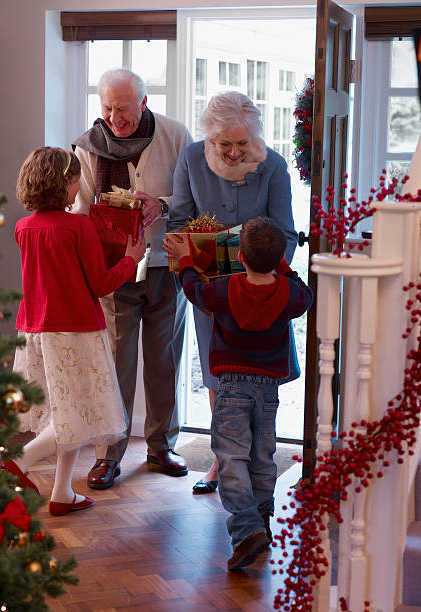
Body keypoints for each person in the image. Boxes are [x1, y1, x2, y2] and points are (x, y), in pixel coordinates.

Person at [163, 217, 312, 570]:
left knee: (230, 459)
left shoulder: (225, 289)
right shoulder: (290, 294)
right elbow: (305, 292)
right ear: (277, 258)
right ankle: (262, 520)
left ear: (240, 257)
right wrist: (282, 266)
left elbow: (193, 291)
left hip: (231, 388)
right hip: (268, 390)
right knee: (262, 457)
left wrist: (186, 261)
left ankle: (246, 532)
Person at [168, 91, 298, 494]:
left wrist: (258, 272)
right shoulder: (191, 159)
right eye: (225, 145)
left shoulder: (273, 167)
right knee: (218, 380)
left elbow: (287, 234)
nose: (235, 152)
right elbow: (178, 224)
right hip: (213, 298)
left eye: (242, 144)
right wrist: (193, 266)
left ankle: (258, 468)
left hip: (262, 292)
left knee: (261, 385)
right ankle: (222, 466)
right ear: (210, 138)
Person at [4, 147, 146, 516]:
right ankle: (17, 460)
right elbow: (100, 285)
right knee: (75, 413)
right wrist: (132, 258)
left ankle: (62, 493)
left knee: (61, 411)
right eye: (74, 180)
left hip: (34, 331)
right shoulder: (78, 226)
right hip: (75, 332)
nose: (77, 186)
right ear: (65, 183)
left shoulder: (23, 228)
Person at [72, 68, 193, 489]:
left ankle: (162, 447)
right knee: (115, 366)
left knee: (164, 361)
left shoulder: (176, 136)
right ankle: (109, 455)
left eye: (122, 108)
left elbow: (196, 197)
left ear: (143, 103)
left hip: (166, 265)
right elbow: (80, 209)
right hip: (114, 272)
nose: (114, 116)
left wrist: (161, 205)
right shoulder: (88, 147)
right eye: (106, 108)